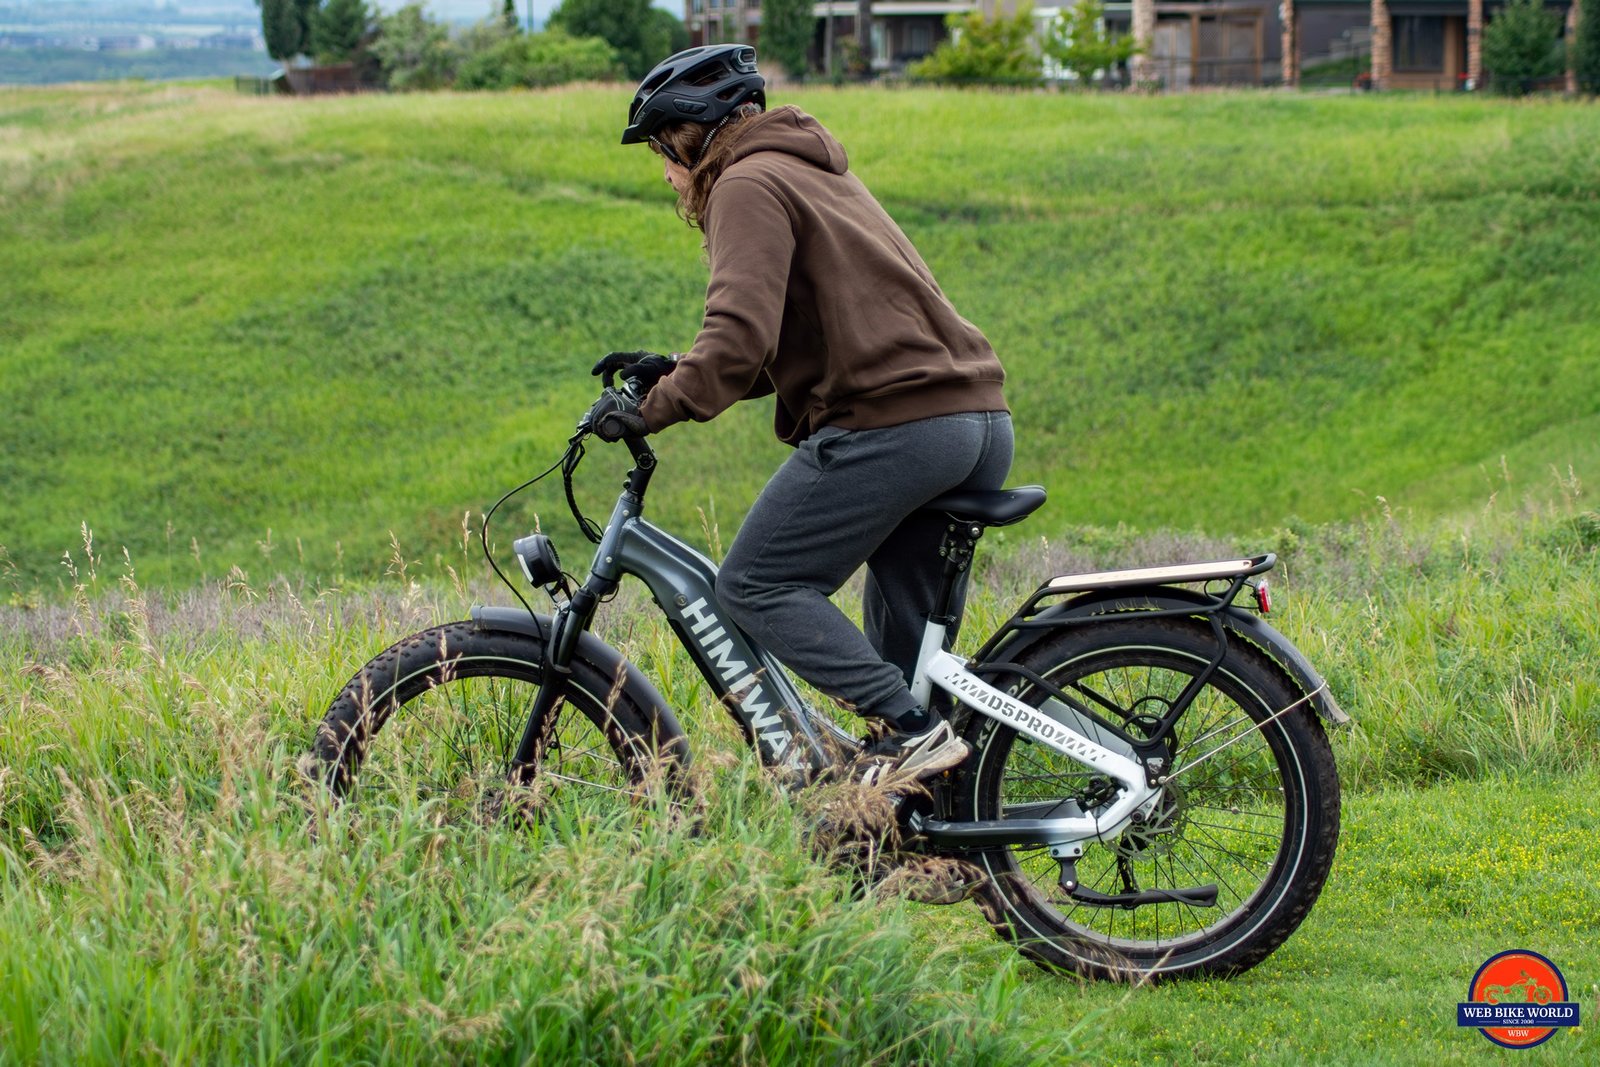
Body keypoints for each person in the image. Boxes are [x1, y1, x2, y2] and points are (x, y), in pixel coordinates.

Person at [588, 44, 1011, 786]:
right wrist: (678, 369)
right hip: (968, 416)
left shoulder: (745, 183)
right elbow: (789, 337)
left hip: (895, 425)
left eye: (662, 153)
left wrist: (651, 410)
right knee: (909, 668)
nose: (666, 175)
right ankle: (929, 813)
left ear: (691, 138)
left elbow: (738, 337)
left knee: (756, 583)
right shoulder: (808, 167)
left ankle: (913, 737)